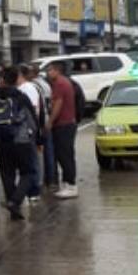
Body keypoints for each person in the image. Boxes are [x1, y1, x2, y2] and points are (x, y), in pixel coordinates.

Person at [0, 66, 38, 221]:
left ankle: (14, 208)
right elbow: (31, 119)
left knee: (7, 173)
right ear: (16, 80)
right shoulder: (20, 97)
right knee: (28, 173)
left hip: (1, 141)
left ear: (1, 80)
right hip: (21, 141)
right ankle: (15, 201)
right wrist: (36, 137)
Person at [47, 61, 79, 199]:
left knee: (65, 155)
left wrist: (50, 121)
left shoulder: (60, 84)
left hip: (64, 124)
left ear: (57, 71)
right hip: (67, 123)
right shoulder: (64, 82)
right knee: (64, 154)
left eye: (50, 70)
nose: (48, 73)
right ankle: (67, 183)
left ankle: (71, 185)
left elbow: (58, 104)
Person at [19, 64, 48, 204]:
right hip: (26, 131)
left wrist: (34, 131)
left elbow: (33, 110)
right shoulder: (22, 88)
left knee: (33, 161)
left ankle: (34, 190)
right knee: (29, 160)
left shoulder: (28, 88)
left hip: (29, 130)